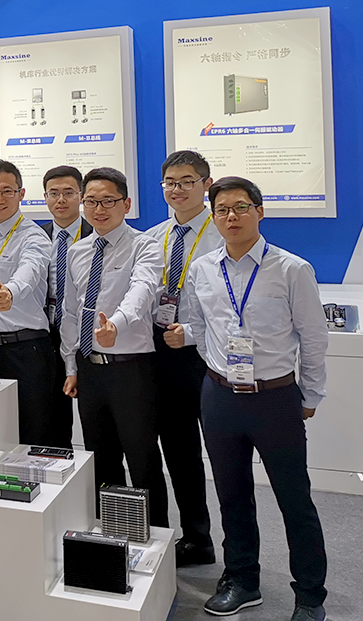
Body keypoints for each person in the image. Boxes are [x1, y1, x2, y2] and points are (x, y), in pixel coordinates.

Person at [171, 176, 329, 621]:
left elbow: (314, 338)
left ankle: (310, 596)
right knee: (231, 495)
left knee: (294, 498)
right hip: (220, 396)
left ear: (259, 212)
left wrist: (311, 393)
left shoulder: (291, 269)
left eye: (241, 207)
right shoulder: (203, 268)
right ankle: (242, 580)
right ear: (214, 216)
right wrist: (186, 336)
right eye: (222, 209)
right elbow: (199, 326)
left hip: (274, 397)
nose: (231, 216)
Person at [60, 167, 168, 528]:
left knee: (142, 457)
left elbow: (143, 290)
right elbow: (71, 312)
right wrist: (71, 366)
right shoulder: (77, 251)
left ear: (126, 204)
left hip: (131, 368)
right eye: (91, 201)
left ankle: (156, 537)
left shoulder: (144, 245)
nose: (99, 209)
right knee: (100, 458)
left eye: (108, 201)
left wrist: (116, 325)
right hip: (90, 369)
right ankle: (114, 531)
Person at [144, 150, 222, 567]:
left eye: (187, 181)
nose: (177, 189)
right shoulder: (153, 237)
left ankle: (238, 553)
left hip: (208, 357)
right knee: (179, 451)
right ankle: (197, 538)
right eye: (170, 182)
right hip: (162, 355)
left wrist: (189, 334)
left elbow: (230, 311)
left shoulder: (222, 234)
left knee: (223, 455)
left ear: (206, 185)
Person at [0, 160, 54, 445]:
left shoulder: (33, 236)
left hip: (26, 349)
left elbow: (30, 270)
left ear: (21, 194)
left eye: (7, 191)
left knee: (33, 432)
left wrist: (10, 291)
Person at [41, 165, 92, 448]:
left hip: (86, 335)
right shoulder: (37, 236)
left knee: (93, 413)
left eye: (69, 193)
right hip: (46, 334)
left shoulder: (96, 234)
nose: (61, 200)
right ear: (45, 197)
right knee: (52, 413)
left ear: (81, 196)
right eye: (54, 193)